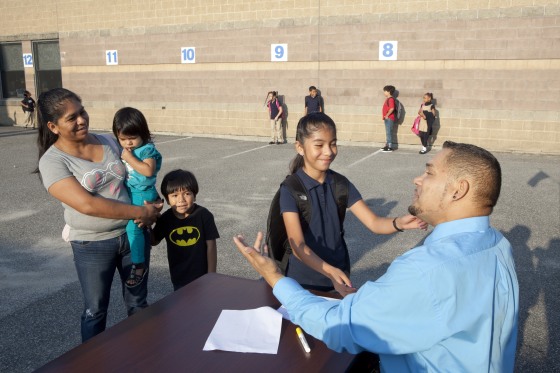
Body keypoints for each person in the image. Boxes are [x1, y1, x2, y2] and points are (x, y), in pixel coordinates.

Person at [234, 141, 519, 372]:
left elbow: (340, 327)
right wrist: (364, 302)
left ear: (459, 189)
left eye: (429, 173)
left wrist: (274, 277)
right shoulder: (498, 245)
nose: (417, 179)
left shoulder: (426, 269)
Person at [35, 88, 162, 342]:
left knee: (138, 303)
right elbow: (87, 205)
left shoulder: (109, 141)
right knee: (95, 311)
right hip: (92, 244)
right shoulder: (52, 162)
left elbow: (138, 176)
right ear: (53, 126)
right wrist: (141, 211)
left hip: (132, 234)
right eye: (72, 118)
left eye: (82, 112)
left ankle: (145, 357)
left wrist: (154, 202)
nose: (81, 120)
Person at [278, 112, 426, 296]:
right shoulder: (291, 188)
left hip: (339, 277)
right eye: (319, 145)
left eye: (333, 143)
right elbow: (298, 245)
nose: (328, 151)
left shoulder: (341, 184)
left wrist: (399, 223)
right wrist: (330, 271)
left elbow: (374, 222)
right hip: (303, 281)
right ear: (300, 147)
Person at [112, 107, 163, 287]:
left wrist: (129, 157)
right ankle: (146, 237)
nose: (128, 143)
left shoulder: (146, 150)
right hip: (135, 191)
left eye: (132, 138)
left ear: (143, 133)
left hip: (142, 192)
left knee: (133, 228)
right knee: (138, 227)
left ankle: (139, 265)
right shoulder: (130, 148)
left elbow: (148, 170)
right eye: (123, 139)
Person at [151, 169, 219, 291]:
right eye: (174, 195)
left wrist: (211, 276)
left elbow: (211, 246)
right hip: (178, 278)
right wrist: (149, 221)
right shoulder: (166, 219)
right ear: (166, 199)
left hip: (202, 276)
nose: (181, 200)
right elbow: (153, 241)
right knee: (185, 308)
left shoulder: (204, 215)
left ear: (195, 195)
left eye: (187, 193)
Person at [381, 85, 396, 152]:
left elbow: (392, 108)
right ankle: (387, 145)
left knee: (389, 132)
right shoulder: (388, 99)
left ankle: (390, 146)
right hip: (387, 118)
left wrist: (387, 115)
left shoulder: (390, 99)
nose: (384, 92)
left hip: (389, 118)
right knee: (388, 132)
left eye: (385, 91)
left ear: (389, 92)